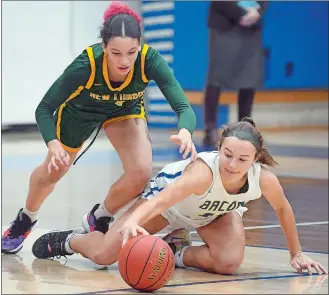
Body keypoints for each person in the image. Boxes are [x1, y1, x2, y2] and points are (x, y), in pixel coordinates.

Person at [1, 2, 197, 254]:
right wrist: (53, 143)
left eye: (132, 52)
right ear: (104, 46)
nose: (124, 60)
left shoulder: (151, 60)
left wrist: (185, 131)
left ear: (140, 46)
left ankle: (99, 217)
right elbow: (43, 109)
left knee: (141, 172)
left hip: (123, 110)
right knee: (53, 171)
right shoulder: (86, 65)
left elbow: (183, 106)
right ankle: (26, 218)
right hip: (79, 113)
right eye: (116, 52)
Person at [32, 118, 327, 276]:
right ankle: (70, 240)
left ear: (256, 158)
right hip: (169, 207)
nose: (232, 165)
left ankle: (175, 252)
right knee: (103, 256)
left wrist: (296, 254)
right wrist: (133, 221)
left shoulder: (264, 179)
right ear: (219, 147)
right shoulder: (202, 173)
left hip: (214, 214)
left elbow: (284, 209)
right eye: (227, 155)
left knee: (228, 263)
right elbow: (162, 200)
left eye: (242, 159)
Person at [203, 1, 268, 147]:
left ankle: (244, 128)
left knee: (249, 76)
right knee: (216, 77)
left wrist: (258, 12)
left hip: (251, 26)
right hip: (225, 24)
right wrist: (242, 13)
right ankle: (210, 129)